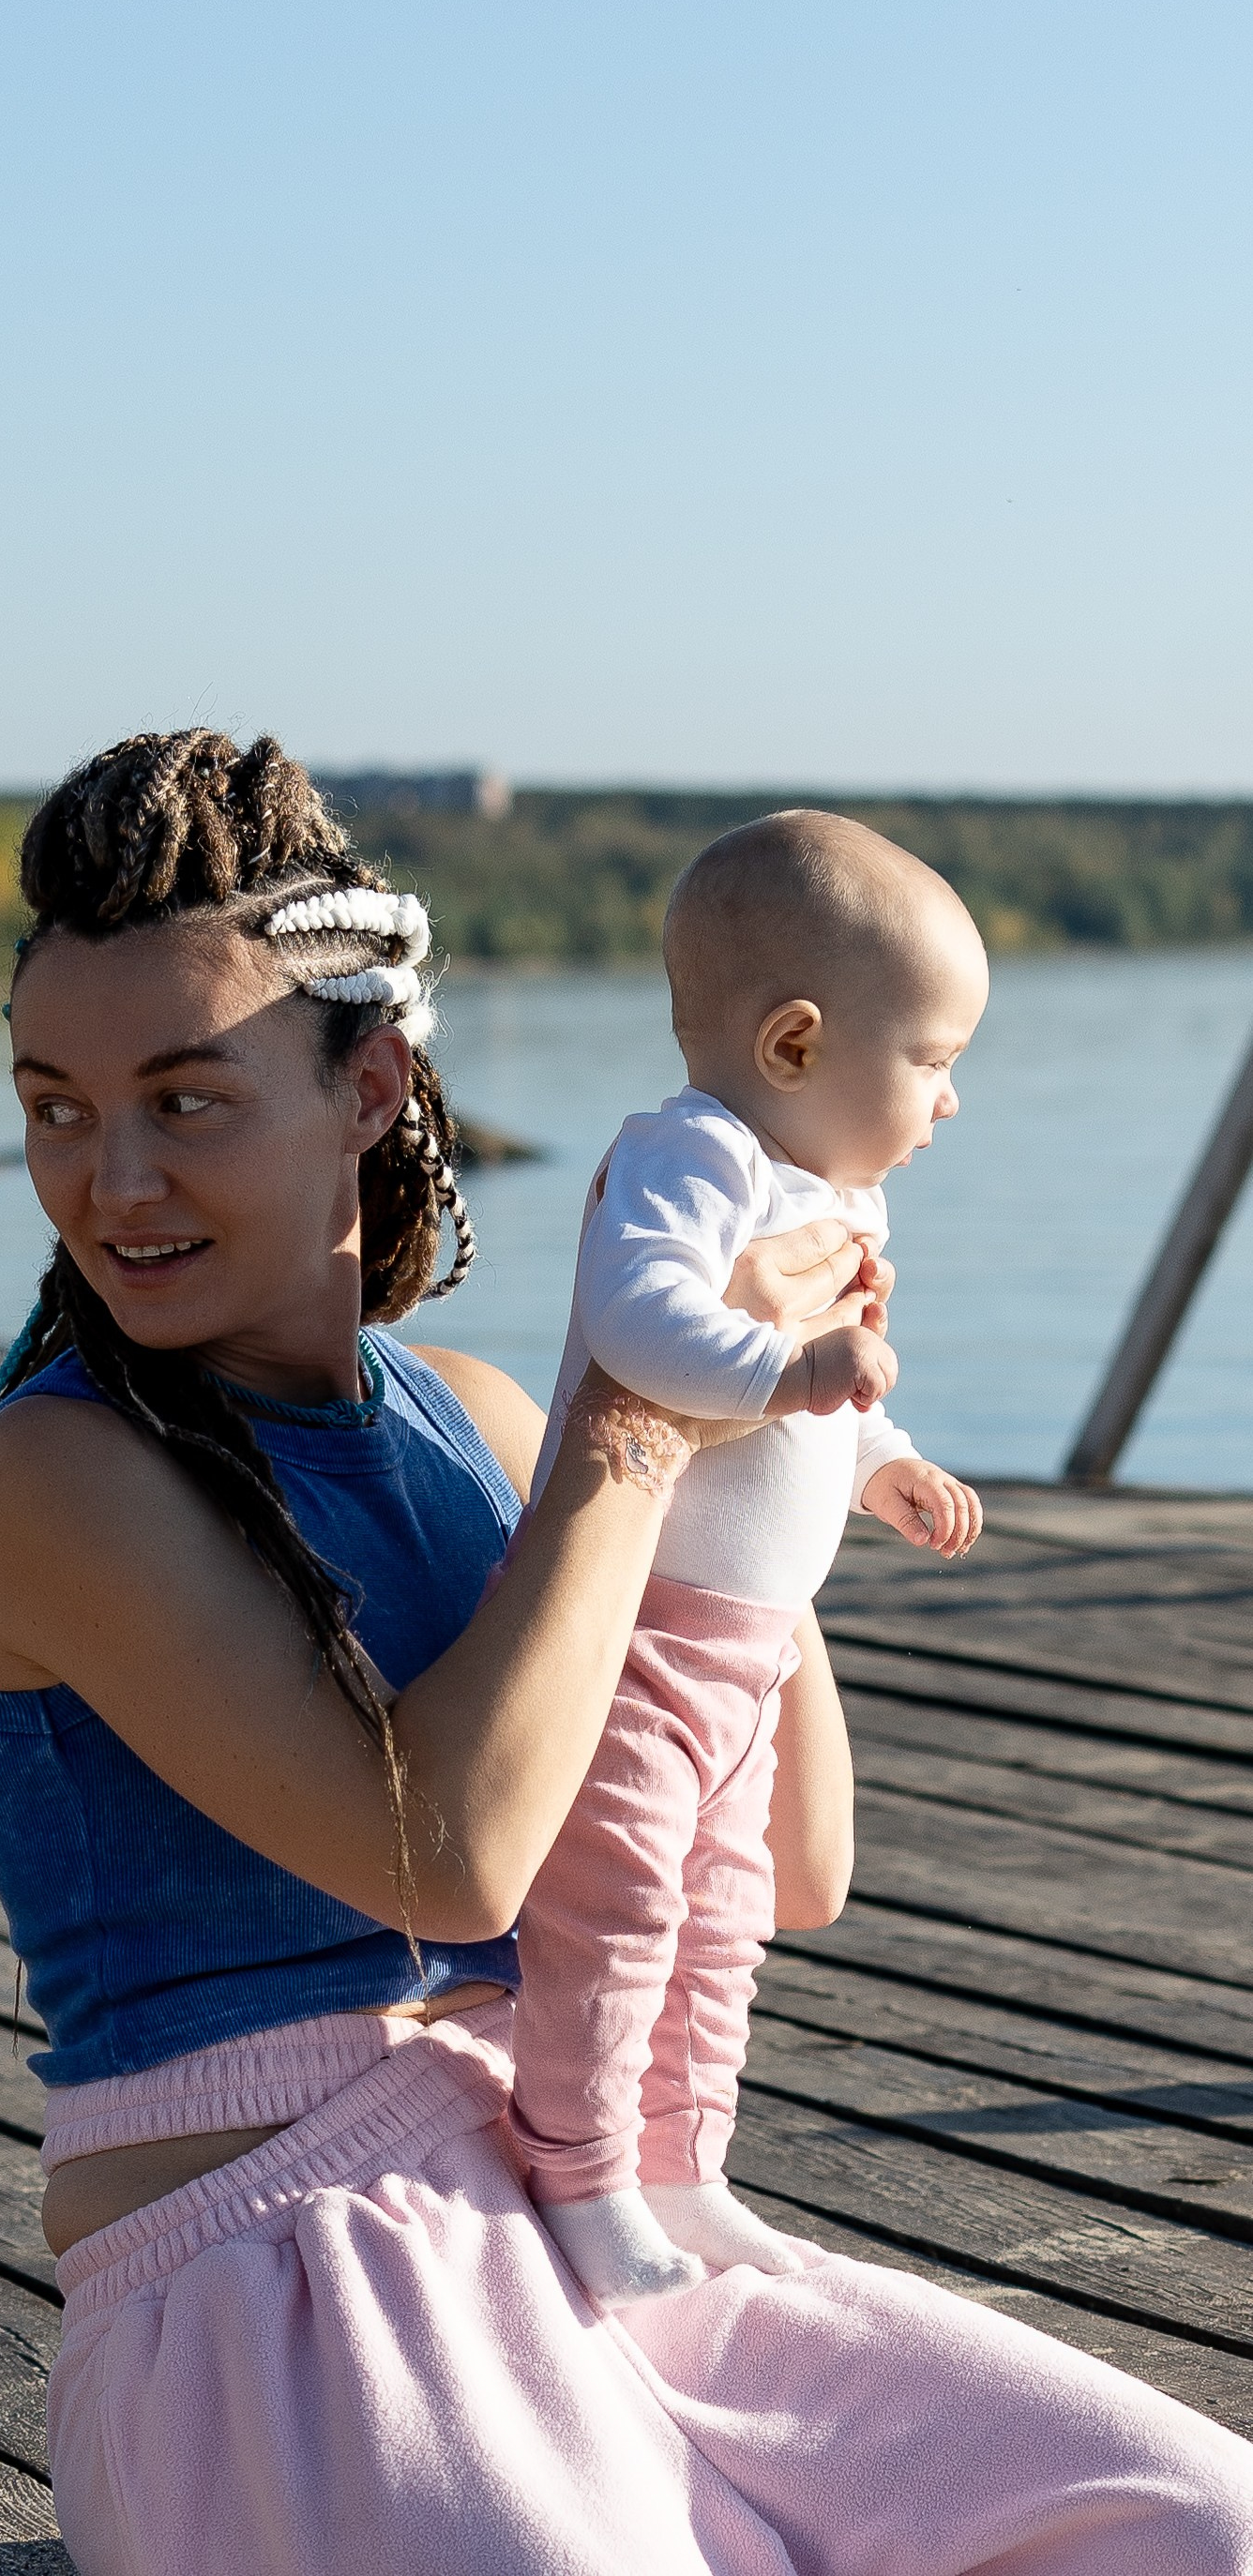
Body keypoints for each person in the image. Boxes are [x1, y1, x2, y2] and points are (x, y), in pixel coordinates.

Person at [0, 728, 1253, 2575]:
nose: (109, 1176)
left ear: (370, 1080)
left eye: (184, 1097)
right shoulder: (57, 1475)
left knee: (1191, 2522)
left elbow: (800, 1860)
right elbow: (452, 1853)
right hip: (281, 2281)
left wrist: (760, 1446)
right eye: (55, 1103)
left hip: (589, 2198)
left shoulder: (477, 1418)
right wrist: (636, 1412)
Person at [511, 810, 993, 2306]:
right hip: (643, 1630)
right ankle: (580, 2171)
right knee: (614, 1905)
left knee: (719, 1918)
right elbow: (644, 1325)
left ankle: (681, 2165)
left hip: (749, 1651)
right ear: (793, 1044)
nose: (949, 1102)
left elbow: (811, 1403)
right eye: (930, 1061)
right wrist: (795, 1373)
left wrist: (880, 1457)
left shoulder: (837, 1197)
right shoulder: (690, 1152)